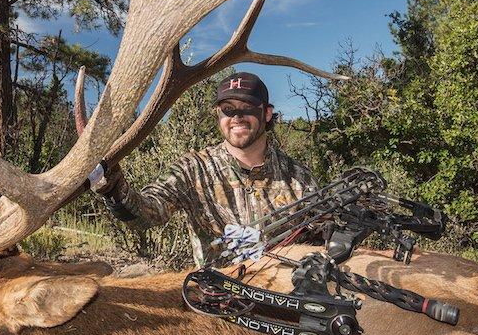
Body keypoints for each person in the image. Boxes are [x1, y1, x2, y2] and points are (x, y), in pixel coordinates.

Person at [89, 71, 317, 266]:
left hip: (282, 303)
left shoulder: (298, 177)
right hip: (214, 303)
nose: (237, 117)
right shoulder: (193, 168)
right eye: (227, 109)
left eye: (247, 107)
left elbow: (322, 236)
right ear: (218, 115)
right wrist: (115, 189)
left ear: (266, 113)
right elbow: (150, 213)